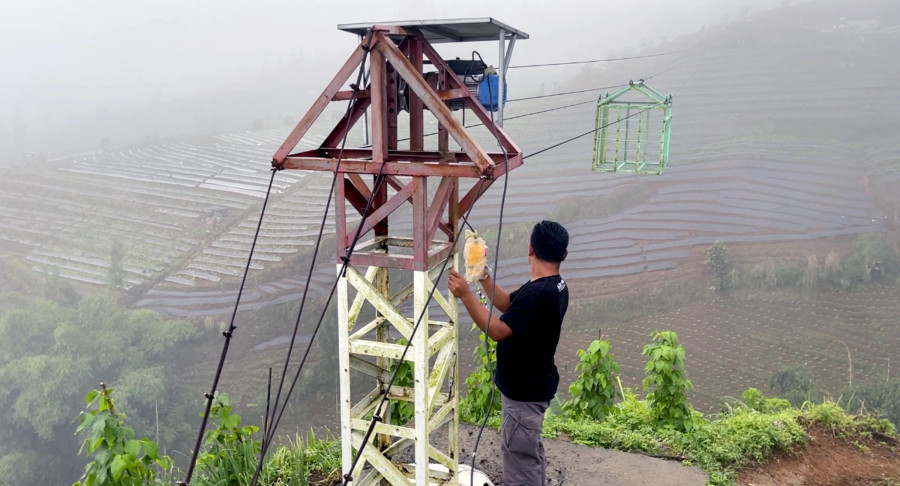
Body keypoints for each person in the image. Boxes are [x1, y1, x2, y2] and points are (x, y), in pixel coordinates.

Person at [449, 220, 569, 486]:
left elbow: (499, 330)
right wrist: (482, 274)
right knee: (528, 454)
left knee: (519, 460)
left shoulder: (539, 293)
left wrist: (466, 295)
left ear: (530, 249)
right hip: (535, 387)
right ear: (564, 255)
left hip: (524, 393)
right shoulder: (553, 286)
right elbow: (507, 303)